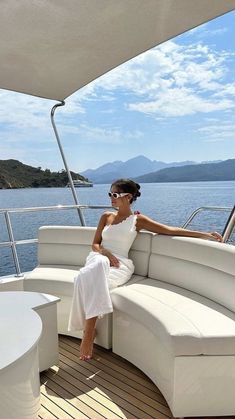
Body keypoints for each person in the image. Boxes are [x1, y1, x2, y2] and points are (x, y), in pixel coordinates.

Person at [68, 178, 223, 360]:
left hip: (120, 265)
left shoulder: (138, 220)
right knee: (96, 267)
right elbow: (94, 243)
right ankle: (89, 332)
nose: (111, 198)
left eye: (115, 194)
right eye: (110, 194)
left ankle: (88, 332)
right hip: (98, 257)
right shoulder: (106, 217)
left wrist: (206, 235)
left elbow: (169, 230)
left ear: (129, 197)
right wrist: (105, 252)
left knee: (85, 278)